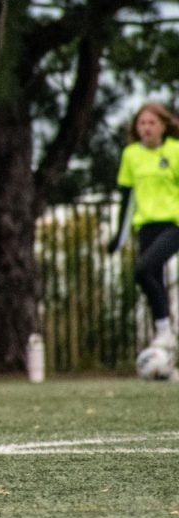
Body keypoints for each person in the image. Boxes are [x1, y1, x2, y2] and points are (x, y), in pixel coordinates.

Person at [108, 101, 179, 352]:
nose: (146, 128)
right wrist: (119, 235)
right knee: (153, 280)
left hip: (173, 225)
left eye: (152, 123)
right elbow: (127, 197)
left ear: (163, 126)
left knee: (142, 269)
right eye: (142, 123)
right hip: (145, 226)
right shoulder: (131, 155)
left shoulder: (175, 151)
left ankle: (164, 331)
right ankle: (166, 352)